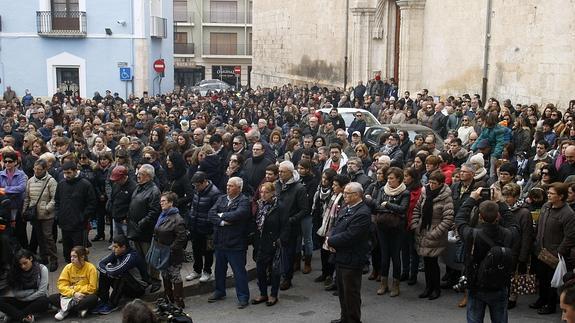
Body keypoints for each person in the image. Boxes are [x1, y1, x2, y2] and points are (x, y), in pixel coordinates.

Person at [457, 196, 514, 323]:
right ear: (498, 216)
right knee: (500, 318)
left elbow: (460, 220)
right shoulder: (508, 234)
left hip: (477, 284)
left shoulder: (471, 234)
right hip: (499, 283)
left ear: (480, 217)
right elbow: (513, 223)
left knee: (474, 318)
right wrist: (502, 202)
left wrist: (471, 198)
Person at [327, 182, 371, 323]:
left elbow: (351, 235)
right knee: (342, 292)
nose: (344, 195)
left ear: (357, 195)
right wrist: (331, 239)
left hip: (352, 259)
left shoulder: (362, 213)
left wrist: (331, 241)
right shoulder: (347, 208)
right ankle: (344, 318)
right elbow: (337, 226)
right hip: (341, 256)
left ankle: (353, 320)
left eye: (347, 193)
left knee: (351, 293)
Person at [531, 182, 575, 315]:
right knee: (542, 278)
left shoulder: (568, 214)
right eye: (548, 193)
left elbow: (570, 237)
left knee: (552, 281)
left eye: (551, 194)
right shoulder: (546, 206)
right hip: (541, 250)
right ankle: (541, 299)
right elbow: (539, 226)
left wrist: (558, 253)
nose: (548, 195)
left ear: (561, 196)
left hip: (554, 254)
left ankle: (550, 305)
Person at [207, 177, 251, 309]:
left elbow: (238, 215)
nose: (228, 188)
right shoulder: (221, 198)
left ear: (239, 188)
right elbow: (211, 213)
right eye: (227, 185)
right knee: (219, 270)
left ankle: (243, 297)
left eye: (231, 186)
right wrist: (222, 221)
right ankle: (219, 291)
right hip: (220, 241)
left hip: (235, 243)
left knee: (239, 271)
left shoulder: (244, 201)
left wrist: (220, 215)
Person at [412, 170, 454, 300]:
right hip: (423, 230)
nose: (431, 185)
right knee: (426, 261)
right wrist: (415, 224)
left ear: (441, 184)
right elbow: (417, 209)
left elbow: (448, 219)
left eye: (434, 183)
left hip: (435, 233)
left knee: (433, 263)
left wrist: (435, 233)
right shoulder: (425, 193)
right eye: (430, 182)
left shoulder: (446, 197)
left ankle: (436, 289)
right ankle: (428, 288)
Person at [370, 167, 410, 297]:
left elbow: (402, 209)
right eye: (388, 178)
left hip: (397, 229)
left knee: (395, 257)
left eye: (392, 178)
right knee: (384, 256)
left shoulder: (405, 192)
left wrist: (387, 205)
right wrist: (391, 209)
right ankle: (383, 283)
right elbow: (376, 206)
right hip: (382, 227)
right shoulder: (383, 189)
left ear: (399, 179)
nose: (389, 180)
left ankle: (396, 285)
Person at [251, 182, 289, 306]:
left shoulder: (280, 206)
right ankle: (263, 293)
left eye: (266, 192)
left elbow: (285, 225)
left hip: (273, 242)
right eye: (261, 192)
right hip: (261, 242)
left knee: (274, 270)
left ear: (273, 193)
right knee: (260, 269)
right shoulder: (260, 205)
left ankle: (273, 295)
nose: (263, 194)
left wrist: (280, 240)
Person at [93, 235, 149, 315]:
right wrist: (108, 271)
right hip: (127, 284)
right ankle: (104, 300)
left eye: (115, 247)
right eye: (113, 246)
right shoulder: (117, 252)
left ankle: (112, 304)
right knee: (104, 273)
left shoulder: (132, 256)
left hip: (138, 288)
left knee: (121, 275)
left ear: (123, 247)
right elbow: (99, 263)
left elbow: (115, 271)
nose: (113, 249)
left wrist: (109, 268)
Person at [127, 164, 162, 293]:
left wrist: (141, 223)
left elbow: (154, 212)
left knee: (150, 257)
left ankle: (155, 280)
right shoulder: (139, 188)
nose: (137, 175)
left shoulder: (154, 191)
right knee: (140, 257)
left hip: (146, 231)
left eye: (140, 174)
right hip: (135, 230)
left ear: (148, 176)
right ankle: (145, 279)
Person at [276, 161, 309, 290]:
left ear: (290, 173)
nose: (279, 174)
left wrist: (291, 220)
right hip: (276, 224)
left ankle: (287, 278)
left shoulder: (299, 188)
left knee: (287, 253)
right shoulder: (277, 184)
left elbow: (304, 210)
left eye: (282, 172)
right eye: (279, 171)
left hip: (290, 226)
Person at [55, 161, 97, 263]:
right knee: (67, 252)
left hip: (79, 225)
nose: (67, 175)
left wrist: (83, 217)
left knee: (79, 252)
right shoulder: (61, 184)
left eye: (69, 173)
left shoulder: (85, 184)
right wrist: (58, 216)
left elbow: (92, 203)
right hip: (65, 224)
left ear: (75, 171)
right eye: (65, 173)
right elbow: (57, 201)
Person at [185, 171, 222, 283]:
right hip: (195, 226)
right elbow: (193, 206)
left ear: (204, 182)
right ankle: (197, 270)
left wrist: (208, 222)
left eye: (197, 185)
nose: (195, 188)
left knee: (208, 251)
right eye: (194, 186)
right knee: (196, 249)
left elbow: (216, 211)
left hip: (207, 229)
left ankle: (207, 271)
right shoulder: (197, 191)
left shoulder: (215, 193)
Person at [22, 159, 58, 272]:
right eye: (35, 169)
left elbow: (55, 198)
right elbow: (27, 198)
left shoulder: (51, 181)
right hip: (35, 215)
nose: (36, 171)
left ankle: (53, 259)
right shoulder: (30, 181)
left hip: (47, 215)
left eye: (39, 169)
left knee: (48, 237)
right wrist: (24, 211)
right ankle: (44, 257)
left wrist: (47, 208)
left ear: (45, 169)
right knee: (39, 237)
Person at [155, 192, 188, 308]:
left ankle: (179, 301)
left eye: (164, 201)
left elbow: (182, 238)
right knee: (165, 274)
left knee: (175, 275)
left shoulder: (177, 219)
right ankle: (169, 298)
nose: (161, 203)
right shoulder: (163, 215)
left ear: (171, 203)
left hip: (173, 253)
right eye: (161, 201)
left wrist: (171, 249)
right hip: (162, 251)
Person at [49, 246, 99, 321]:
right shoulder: (68, 267)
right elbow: (61, 285)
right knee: (51, 298)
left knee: (93, 298)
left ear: (82, 257)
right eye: (71, 256)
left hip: (84, 296)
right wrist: (73, 293)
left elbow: (93, 288)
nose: (72, 258)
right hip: (70, 295)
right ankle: (79, 309)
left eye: (75, 256)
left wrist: (75, 289)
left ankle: (65, 309)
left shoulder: (91, 268)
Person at [0, 249, 49, 323]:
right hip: (21, 300)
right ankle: (24, 317)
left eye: (25, 263)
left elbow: (42, 291)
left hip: (36, 300)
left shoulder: (42, 269)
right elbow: (16, 293)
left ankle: (14, 315)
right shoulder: (16, 271)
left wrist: (26, 297)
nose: (23, 266)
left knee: (44, 300)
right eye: (20, 264)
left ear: (31, 258)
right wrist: (32, 291)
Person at [0, 151, 28, 249]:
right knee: (7, 232)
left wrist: (5, 189)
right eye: (5, 161)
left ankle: (24, 253)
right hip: (4, 209)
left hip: (18, 207)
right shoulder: (0, 174)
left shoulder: (21, 175)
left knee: (20, 232)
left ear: (15, 162)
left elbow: (22, 188)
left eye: (10, 161)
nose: (7, 163)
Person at [109, 165, 137, 238]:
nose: (116, 181)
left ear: (124, 177)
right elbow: (112, 199)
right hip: (116, 218)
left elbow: (133, 206)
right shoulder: (116, 185)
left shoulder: (133, 187)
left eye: (118, 179)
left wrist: (127, 218)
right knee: (118, 241)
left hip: (125, 221)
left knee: (127, 241)